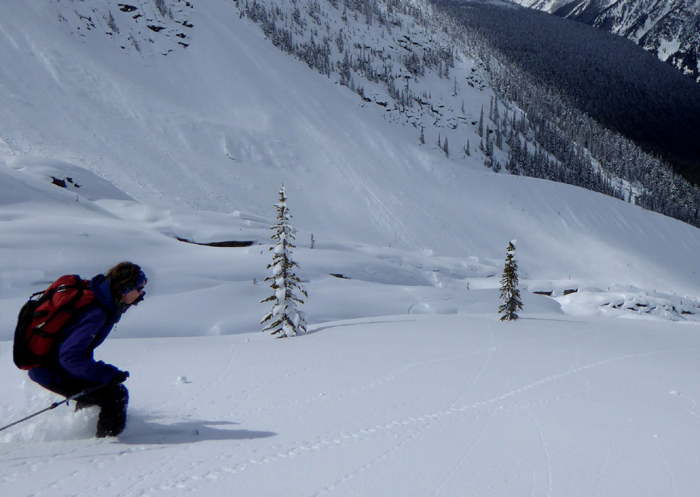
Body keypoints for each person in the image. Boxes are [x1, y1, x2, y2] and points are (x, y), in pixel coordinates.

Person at [28, 262, 147, 438]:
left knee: (96, 387)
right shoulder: (96, 313)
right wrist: (107, 373)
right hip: (51, 370)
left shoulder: (98, 297)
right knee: (115, 395)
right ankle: (104, 447)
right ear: (126, 289)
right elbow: (70, 357)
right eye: (139, 289)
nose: (142, 294)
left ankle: (82, 433)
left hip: (50, 365)